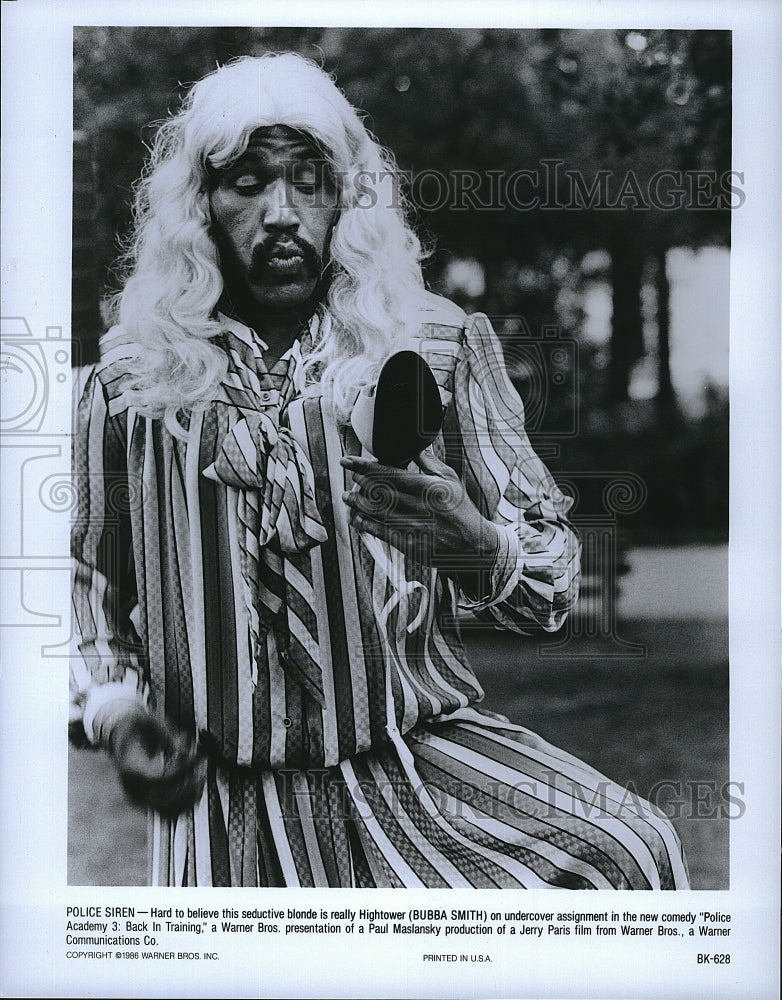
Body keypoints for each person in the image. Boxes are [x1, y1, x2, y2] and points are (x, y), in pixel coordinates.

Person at [71, 52, 689, 889]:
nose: (280, 213)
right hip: (225, 802)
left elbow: (551, 578)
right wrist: (116, 713)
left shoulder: (432, 346)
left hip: (416, 769)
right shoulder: (129, 385)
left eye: (307, 179)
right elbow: (83, 585)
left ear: (348, 198)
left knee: (629, 853)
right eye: (246, 182)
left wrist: (480, 546)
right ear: (200, 207)